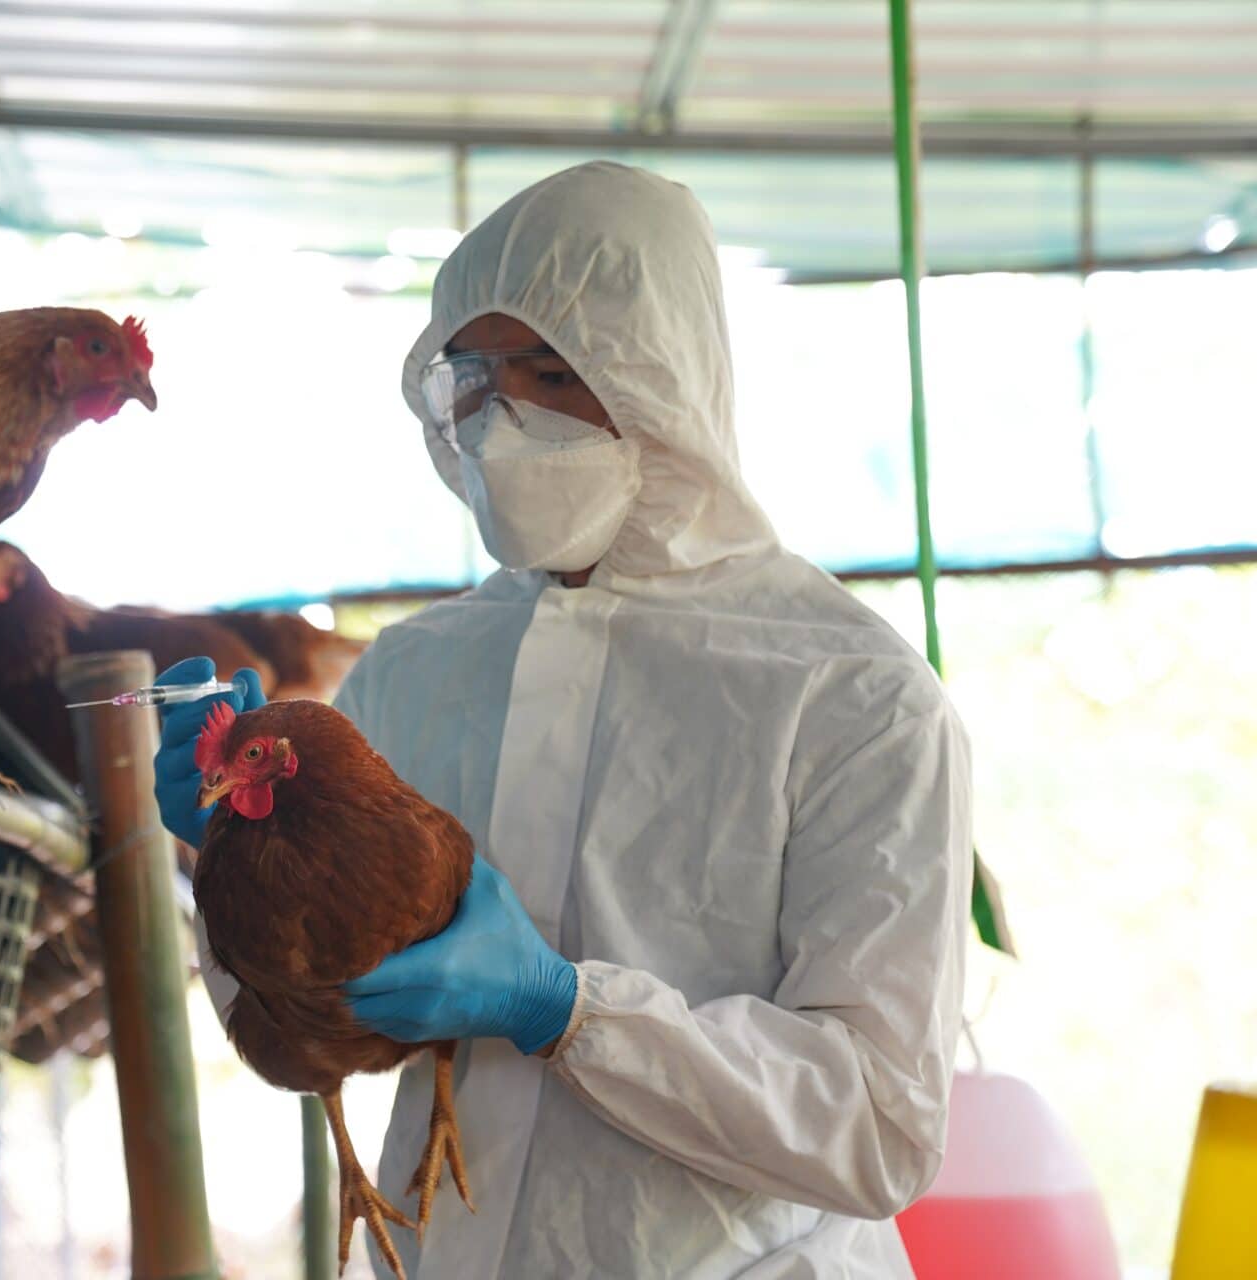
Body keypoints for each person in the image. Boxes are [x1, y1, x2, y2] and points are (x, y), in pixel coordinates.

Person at [152, 161, 972, 1278]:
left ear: (661, 375)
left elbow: (877, 1122)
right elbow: (302, 1020)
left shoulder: (851, 693)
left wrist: (572, 1011)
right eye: (476, 379)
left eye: (550, 371)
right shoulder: (417, 670)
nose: (502, 423)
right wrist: (230, 862)